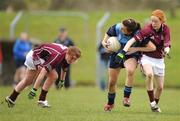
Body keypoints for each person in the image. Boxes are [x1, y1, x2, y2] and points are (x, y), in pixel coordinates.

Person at [117, 10, 170, 112]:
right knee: (149, 74)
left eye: (156, 22)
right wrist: (123, 52)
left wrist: (167, 48)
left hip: (159, 60)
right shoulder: (147, 30)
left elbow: (167, 40)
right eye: (152, 21)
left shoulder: (166, 29)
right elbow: (131, 41)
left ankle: (154, 106)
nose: (153, 24)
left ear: (162, 21)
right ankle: (152, 102)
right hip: (146, 58)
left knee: (160, 87)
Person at [102, 18, 156, 111]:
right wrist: (106, 46)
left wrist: (136, 49)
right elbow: (103, 41)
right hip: (116, 54)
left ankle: (126, 97)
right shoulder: (116, 28)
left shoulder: (139, 34)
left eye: (123, 28)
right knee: (111, 83)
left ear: (130, 31)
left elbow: (152, 47)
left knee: (130, 70)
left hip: (131, 55)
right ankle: (110, 103)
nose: (120, 28)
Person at [5, 43, 81, 108]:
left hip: (37, 55)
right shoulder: (57, 56)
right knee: (53, 76)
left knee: (27, 81)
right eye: (72, 58)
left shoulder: (67, 55)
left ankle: (11, 98)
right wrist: (34, 90)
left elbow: (64, 67)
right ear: (68, 53)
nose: (72, 61)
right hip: (34, 56)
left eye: (75, 59)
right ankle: (41, 99)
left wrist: (62, 80)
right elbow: (42, 73)